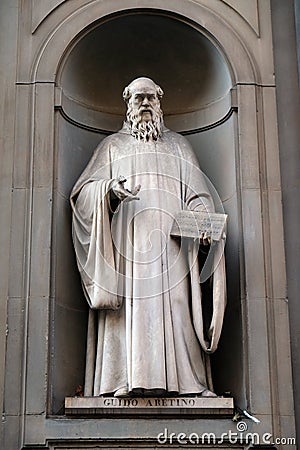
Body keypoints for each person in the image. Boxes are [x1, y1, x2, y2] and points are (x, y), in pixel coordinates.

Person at [70, 77, 226, 398]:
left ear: (160, 101)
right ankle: (122, 377)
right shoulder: (112, 146)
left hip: (171, 250)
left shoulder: (179, 146)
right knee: (127, 311)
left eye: (151, 98)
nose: (144, 104)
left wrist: (202, 222)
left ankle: (186, 383)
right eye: (138, 98)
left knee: (178, 308)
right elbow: (83, 194)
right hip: (127, 250)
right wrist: (108, 192)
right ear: (127, 102)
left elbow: (198, 196)